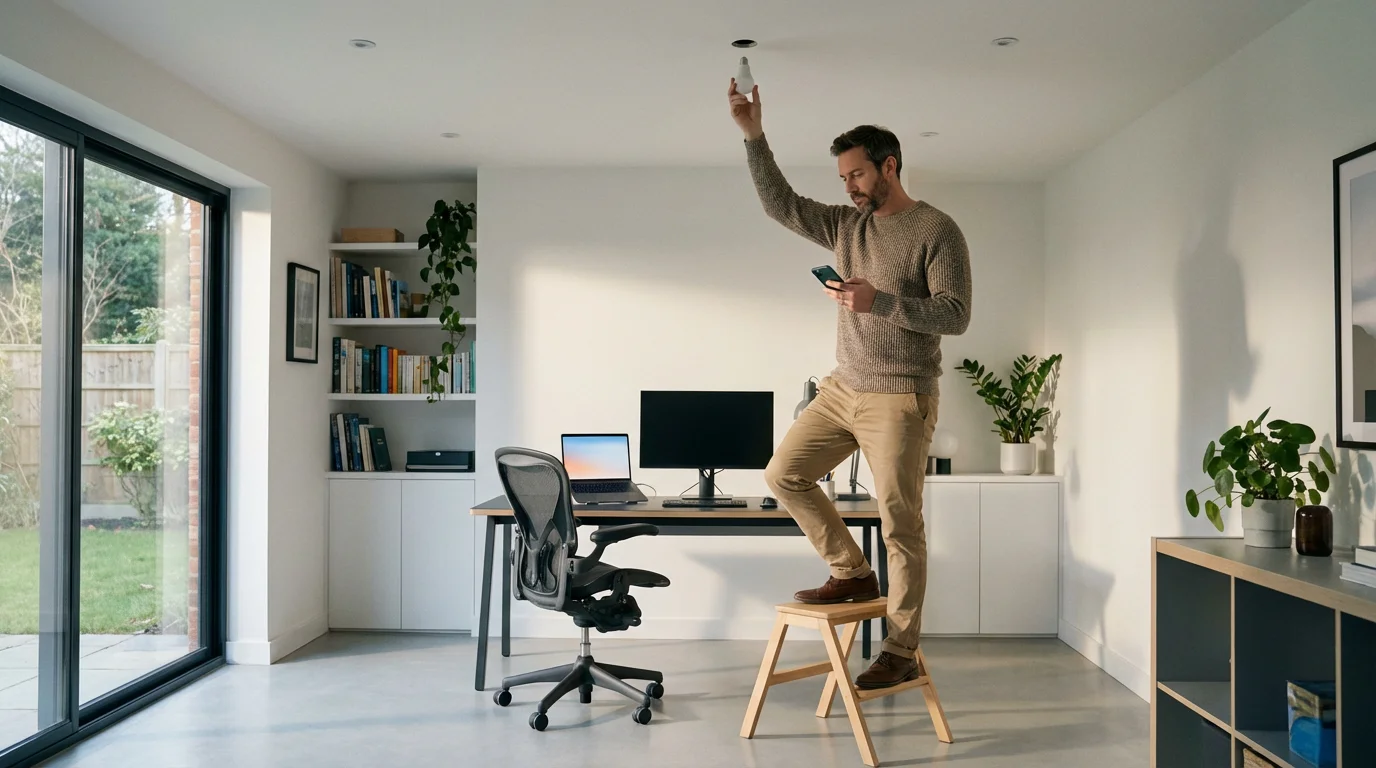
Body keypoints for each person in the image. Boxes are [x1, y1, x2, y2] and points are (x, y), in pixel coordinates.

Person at [729, 79, 972, 689]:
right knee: (782, 473)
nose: (849, 187)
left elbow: (955, 314)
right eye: (843, 178)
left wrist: (880, 300)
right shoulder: (844, 226)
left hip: (900, 393)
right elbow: (779, 204)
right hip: (842, 388)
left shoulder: (937, 230)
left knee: (900, 522)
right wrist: (755, 135)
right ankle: (852, 571)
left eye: (858, 175)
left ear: (889, 166)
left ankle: (901, 648)